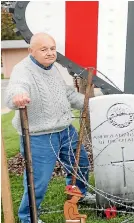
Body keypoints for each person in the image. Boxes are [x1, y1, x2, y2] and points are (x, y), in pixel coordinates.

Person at [4, 32, 95, 223]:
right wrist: (18, 96)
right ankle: (28, 217)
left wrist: (92, 103)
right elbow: (16, 89)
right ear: (32, 51)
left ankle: (78, 195)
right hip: (38, 135)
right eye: (43, 49)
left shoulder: (54, 68)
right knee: (38, 180)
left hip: (64, 129)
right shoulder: (23, 70)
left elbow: (68, 95)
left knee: (81, 164)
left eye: (52, 49)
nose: (49, 53)